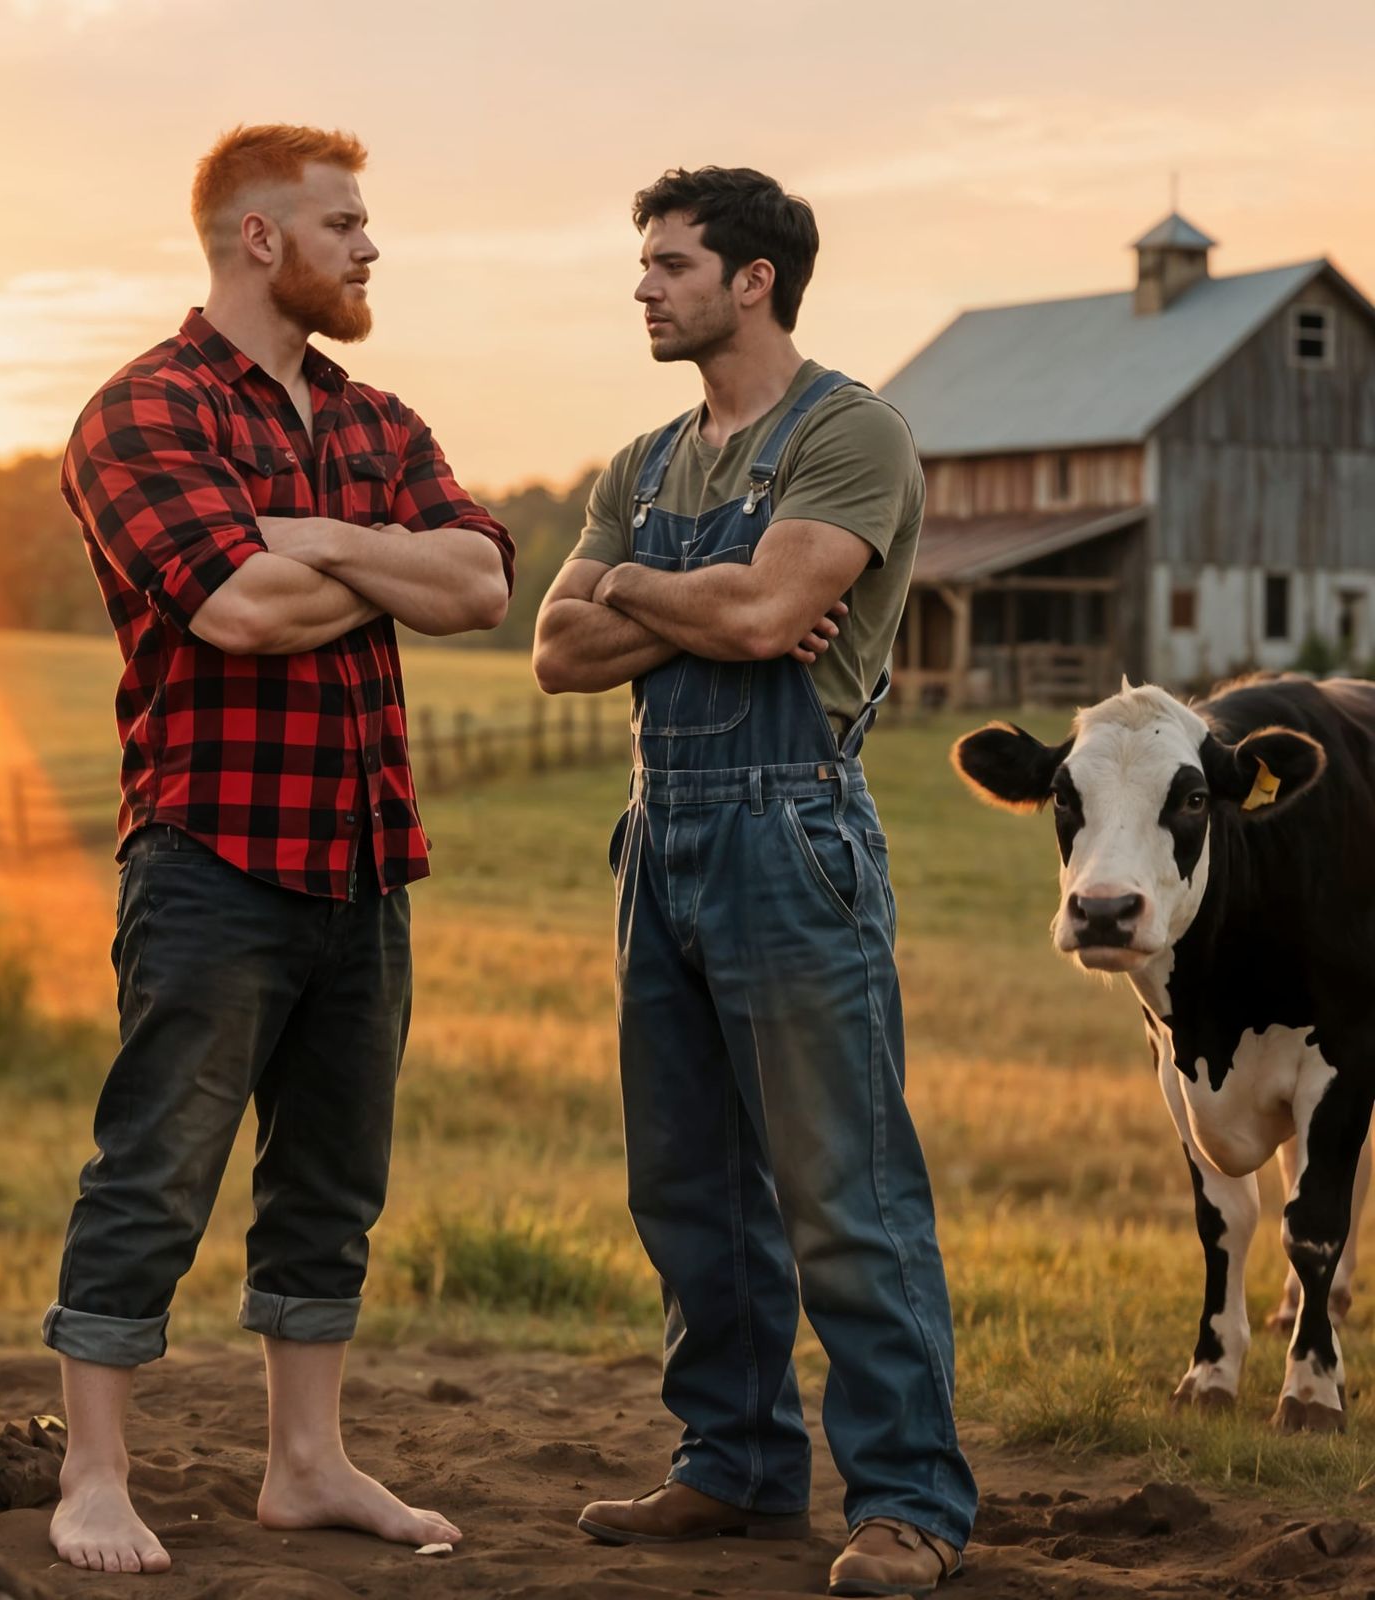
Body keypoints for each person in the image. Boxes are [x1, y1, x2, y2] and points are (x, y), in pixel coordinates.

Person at [45, 123, 513, 1575]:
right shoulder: (143, 412)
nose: (371, 247)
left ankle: (306, 1464)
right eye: (344, 223)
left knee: (331, 1181)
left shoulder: (377, 422)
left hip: (364, 860)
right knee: (156, 1166)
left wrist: (307, 532)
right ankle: (92, 1475)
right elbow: (237, 612)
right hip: (211, 856)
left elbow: (484, 584)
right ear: (261, 238)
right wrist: (382, 563)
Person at [532, 166, 976, 1598]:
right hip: (658, 835)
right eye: (646, 265)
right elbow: (556, 651)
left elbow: (773, 613)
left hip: (793, 830)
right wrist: (700, 604)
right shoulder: (643, 463)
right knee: (689, 1189)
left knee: (843, 1188)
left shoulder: (849, 433)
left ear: (753, 280)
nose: (644, 288)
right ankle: (734, 1465)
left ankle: (909, 1500)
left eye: (670, 265)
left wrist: (638, 591)